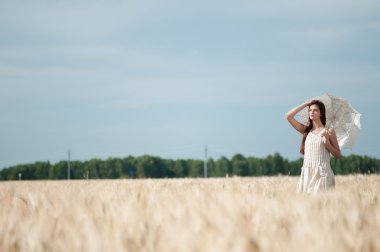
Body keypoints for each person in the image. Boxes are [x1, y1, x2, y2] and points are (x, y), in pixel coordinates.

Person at [285, 99, 341, 193]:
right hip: (307, 173)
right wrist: (305, 104)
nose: (312, 112)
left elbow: (337, 154)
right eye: (310, 110)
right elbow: (288, 116)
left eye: (315, 110)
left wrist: (327, 144)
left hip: (322, 174)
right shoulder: (306, 130)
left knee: (321, 204)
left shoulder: (329, 131)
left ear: (321, 113)